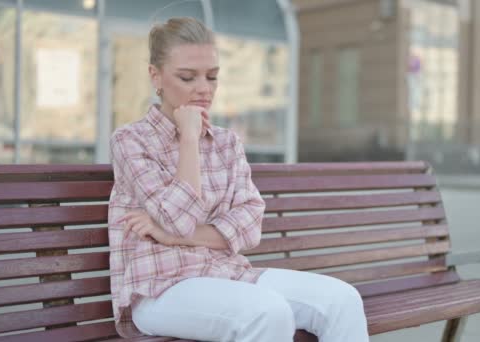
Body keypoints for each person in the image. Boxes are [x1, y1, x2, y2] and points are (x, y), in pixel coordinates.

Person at [108, 16, 369, 342]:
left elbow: (249, 224)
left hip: (228, 274)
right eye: (187, 77)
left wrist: (177, 238)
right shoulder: (131, 141)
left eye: (212, 77)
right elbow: (178, 218)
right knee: (267, 312)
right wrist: (189, 138)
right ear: (155, 76)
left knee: (342, 300)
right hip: (160, 287)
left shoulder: (227, 143)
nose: (204, 89)